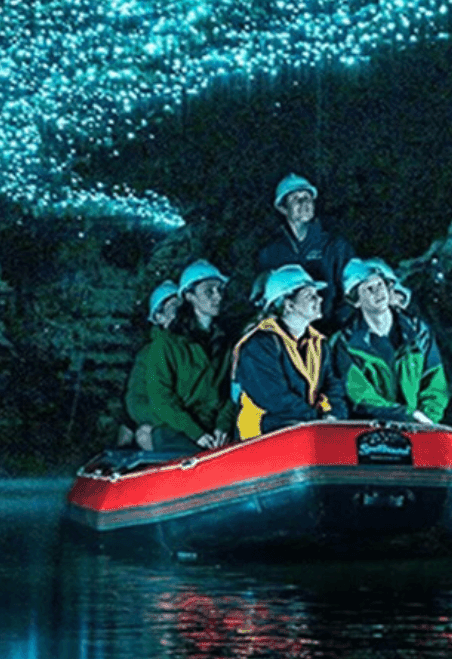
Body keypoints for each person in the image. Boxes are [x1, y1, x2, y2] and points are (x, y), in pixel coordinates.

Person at [326, 257, 449, 424]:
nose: (378, 292)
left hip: (421, 429)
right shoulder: (345, 344)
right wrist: (405, 416)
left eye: (380, 285)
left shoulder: (418, 332)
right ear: (356, 300)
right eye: (369, 289)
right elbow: (361, 396)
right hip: (371, 431)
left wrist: (428, 419)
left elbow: (435, 382)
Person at [141, 259, 237, 451]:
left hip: (215, 431)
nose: (217, 296)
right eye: (208, 291)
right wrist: (196, 433)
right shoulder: (166, 344)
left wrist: (222, 426)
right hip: (178, 431)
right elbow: (161, 398)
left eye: (219, 289)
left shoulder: (224, 341)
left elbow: (231, 390)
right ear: (189, 296)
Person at [232, 263, 334, 439]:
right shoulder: (259, 345)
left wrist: (334, 414)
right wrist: (318, 417)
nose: (320, 299)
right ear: (289, 306)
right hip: (261, 438)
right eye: (310, 295)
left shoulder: (319, 344)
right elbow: (273, 398)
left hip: (306, 430)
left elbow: (333, 384)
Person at [256, 173, 354, 328]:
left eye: (307, 198)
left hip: (330, 329)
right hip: (289, 333)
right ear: (283, 208)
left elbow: (351, 291)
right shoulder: (270, 252)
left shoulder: (335, 245)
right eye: (296, 199)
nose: (303, 203)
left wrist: (340, 328)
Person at [121, 279, 180, 448]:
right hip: (168, 420)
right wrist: (171, 418)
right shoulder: (149, 354)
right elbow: (135, 401)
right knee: (144, 433)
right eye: (175, 308)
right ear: (159, 317)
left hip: (195, 422)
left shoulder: (199, 346)